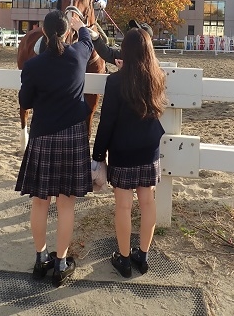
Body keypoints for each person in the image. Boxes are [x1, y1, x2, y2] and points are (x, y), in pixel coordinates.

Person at [15, 9, 94, 287]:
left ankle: (40, 259)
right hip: (72, 135)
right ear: (67, 33)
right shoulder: (77, 57)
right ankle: (60, 262)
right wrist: (81, 26)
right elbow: (88, 40)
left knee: (39, 201)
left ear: (44, 34)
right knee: (66, 204)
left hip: (43, 136)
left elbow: (25, 101)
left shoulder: (33, 66)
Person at [92, 27, 167, 278]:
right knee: (148, 202)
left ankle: (124, 259)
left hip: (122, 150)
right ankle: (143, 256)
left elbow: (106, 122)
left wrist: (98, 154)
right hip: (149, 148)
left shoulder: (114, 81)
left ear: (124, 52)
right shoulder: (158, 77)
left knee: (123, 207)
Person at [69, 17, 153, 65]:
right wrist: (95, 37)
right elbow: (109, 54)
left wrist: (125, 70)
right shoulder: (126, 54)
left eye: (137, 34)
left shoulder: (152, 63)